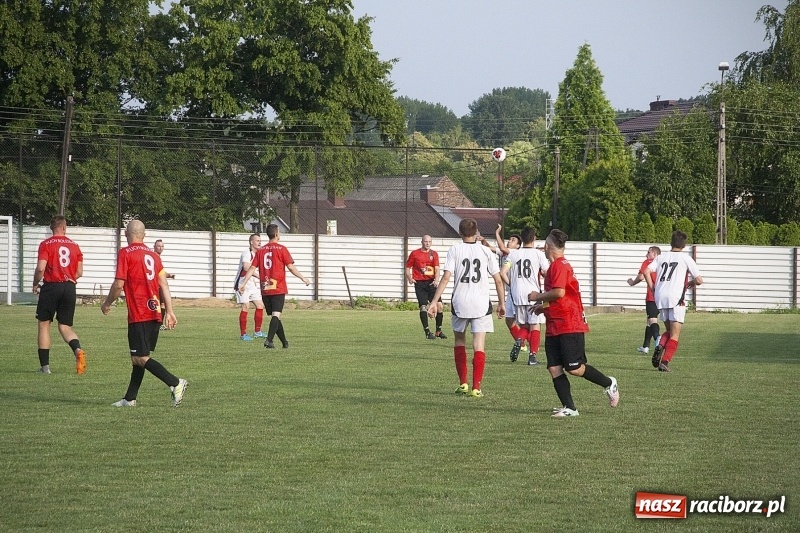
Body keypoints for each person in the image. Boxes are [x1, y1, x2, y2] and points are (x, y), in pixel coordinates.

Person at [528, 229, 619, 417]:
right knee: (554, 367)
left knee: (574, 368)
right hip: (554, 323)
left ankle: (609, 383)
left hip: (569, 323)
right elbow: (559, 295)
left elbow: (559, 292)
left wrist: (537, 296)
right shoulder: (556, 266)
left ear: (546, 247)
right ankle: (570, 408)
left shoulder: (559, 265)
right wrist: (542, 306)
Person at [101, 220, 187, 408]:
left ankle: (175, 382)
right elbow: (163, 284)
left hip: (139, 312)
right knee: (138, 358)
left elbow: (118, 284)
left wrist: (107, 303)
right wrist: (170, 311)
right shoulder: (154, 256)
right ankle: (130, 399)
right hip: (155, 311)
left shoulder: (125, 253)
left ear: (126, 234)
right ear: (144, 235)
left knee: (140, 358)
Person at [428, 218, 506, 398]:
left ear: (460, 233)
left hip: (460, 302)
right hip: (480, 303)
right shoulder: (486, 251)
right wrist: (502, 303)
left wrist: (434, 301)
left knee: (459, 341)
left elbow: (446, 277)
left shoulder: (455, 250)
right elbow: (498, 280)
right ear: (477, 232)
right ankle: (476, 387)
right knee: (479, 345)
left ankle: (463, 383)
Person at [239, 224, 311, 349]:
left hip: (265, 289)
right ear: (277, 234)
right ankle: (269, 340)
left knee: (275, 316)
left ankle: (284, 342)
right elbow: (291, 267)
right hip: (278, 288)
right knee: (276, 315)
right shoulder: (282, 249)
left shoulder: (261, 251)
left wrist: (243, 283)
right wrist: (303, 278)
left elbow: (251, 268)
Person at [32, 215, 86, 375]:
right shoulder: (75, 246)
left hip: (51, 287)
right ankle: (77, 350)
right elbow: (80, 272)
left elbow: (41, 268)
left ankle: (45, 367)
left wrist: (35, 283)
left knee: (44, 324)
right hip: (69, 287)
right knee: (65, 326)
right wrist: (69, 278)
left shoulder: (46, 244)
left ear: (52, 228)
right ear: (64, 227)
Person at [644, 231, 703, 372]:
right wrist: (692, 283)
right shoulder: (685, 258)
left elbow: (646, 271)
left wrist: (653, 288)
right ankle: (665, 361)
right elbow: (700, 280)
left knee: (669, 331)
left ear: (671, 243)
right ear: (684, 245)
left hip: (660, 297)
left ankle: (660, 346)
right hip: (676, 298)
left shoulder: (661, 257)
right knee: (675, 335)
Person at [501, 227, 549, 366]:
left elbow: (503, 272)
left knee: (524, 326)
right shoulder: (538, 255)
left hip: (517, 294)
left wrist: (512, 284)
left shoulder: (513, 254)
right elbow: (546, 272)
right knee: (535, 325)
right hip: (533, 293)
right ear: (534, 238)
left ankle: (519, 339)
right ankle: (532, 357)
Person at [405, 235, 446, 340]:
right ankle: (427, 332)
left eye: (429, 241)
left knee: (440, 306)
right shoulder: (415, 254)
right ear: (421, 242)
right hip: (420, 283)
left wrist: (436, 280)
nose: (427, 243)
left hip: (431, 283)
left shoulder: (434, 254)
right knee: (423, 307)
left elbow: (437, 269)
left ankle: (438, 331)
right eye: (425, 241)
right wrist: (410, 278)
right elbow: (407, 268)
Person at [627, 246, 662, 354]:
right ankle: (645, 346)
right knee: (649, 321)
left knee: (652, 320)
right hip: (663, 295)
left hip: (652, 295)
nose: (646, 255)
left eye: (649, 252)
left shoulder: (648, 262)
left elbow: (641, 276)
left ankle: (658, 338)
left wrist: (632, 282)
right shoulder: (664, 262)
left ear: (655, 254)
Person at [234, 233, 267, 341]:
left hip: (252, 284)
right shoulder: (247, 253)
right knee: (246, 306)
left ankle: (257, 332)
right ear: (251, 242)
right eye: (257, 240)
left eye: (260, 240)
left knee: (260, 305)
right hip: (242, 283)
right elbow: (246, 266)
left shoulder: (259, 255)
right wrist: (259, 276)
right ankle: (243, 334)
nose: (259, 242)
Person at [153, 239, 175, 330]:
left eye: (162, 246)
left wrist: (168, 275)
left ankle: (159, 324)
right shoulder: (154, 257)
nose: (160, 248)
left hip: (158, 284)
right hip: (155, 284)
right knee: (158, 304)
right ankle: (157, 324)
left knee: (161, 303)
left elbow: (160, 272)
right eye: (158, 246)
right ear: (154, 247)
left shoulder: (157, 257)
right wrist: (168, 275)